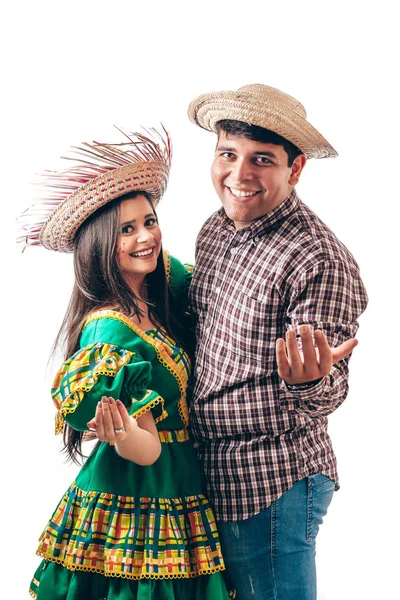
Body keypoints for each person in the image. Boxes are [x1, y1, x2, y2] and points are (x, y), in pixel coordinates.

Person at [19, 128, 231, 600]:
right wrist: (122, 433)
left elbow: (217, 286)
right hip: (141, 492)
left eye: (149, 221)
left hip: (179, 484)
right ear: (99, 245)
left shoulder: (161, 290)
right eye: (127, 229)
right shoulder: (110, 330)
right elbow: (147, 449)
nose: (146, 237)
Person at [187, 84, 368, 599]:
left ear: (295, 168)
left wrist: (312, 380)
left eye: (261, 159)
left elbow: (328, 393)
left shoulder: (318, 259)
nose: (239, 175)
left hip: (271, 482)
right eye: (228, 154)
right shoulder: (215, 230)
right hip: (209, 472)